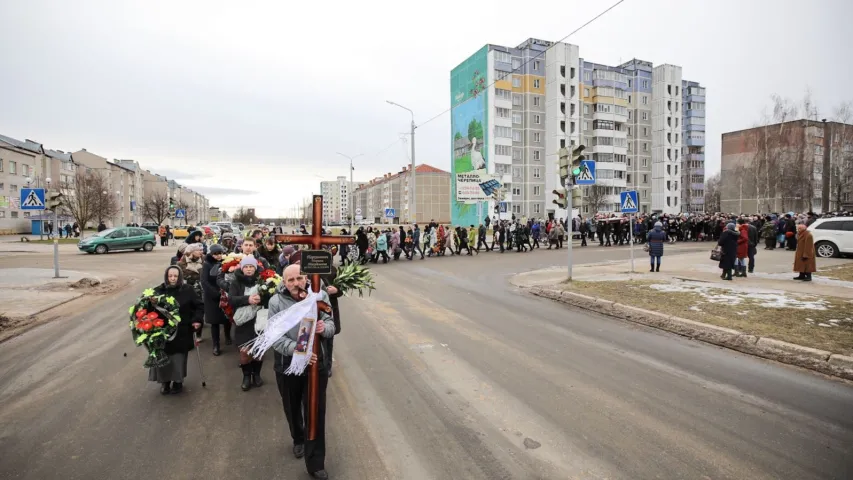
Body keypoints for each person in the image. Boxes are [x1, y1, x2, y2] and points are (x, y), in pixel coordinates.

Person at [269, 264, 335, 479]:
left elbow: (330, 322)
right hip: (287, 365)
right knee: (292, 405)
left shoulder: (319, 295)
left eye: (299, 278)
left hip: (317, 364)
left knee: (315, 411)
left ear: (306, 278)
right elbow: (275, 337)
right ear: (284, 282)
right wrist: (298, 351)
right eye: (291, 280)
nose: (296, 283)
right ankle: (298, 438)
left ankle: (315, 462)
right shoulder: (276, 302)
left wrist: (325, 329)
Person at [148, 266, 203, 395]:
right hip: (163, 330)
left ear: (180, 277)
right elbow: (148, 309)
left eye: (175, 276)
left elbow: (199, 306)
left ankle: (178, 381)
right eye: (170, 276)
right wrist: (150, 303)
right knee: (164, 357)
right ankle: (165, 382)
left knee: (178, 358)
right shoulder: (158, 291)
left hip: (182, 330)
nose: (172, 278)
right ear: (166, 276)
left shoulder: (188, 290)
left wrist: (197, 320)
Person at [227, 256, 263, 391]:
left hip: (259, 321)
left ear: (255, 268)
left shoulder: (262, 280)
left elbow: (270, 296)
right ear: (242, 268)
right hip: (243, 322)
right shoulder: (236, 282)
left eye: (251, 267)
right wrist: (248, 299)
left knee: (259, 351)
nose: (249, 269)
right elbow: (231, 299)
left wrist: (262, 298)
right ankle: (246, 376)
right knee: (244, 352)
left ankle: (257, 375)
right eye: (246, 267)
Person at [202, 244, 231, 356]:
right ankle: (216, 345)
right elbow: (204, 281)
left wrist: (226, 290)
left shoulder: (227, 261)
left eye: (220, 253)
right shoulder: (207, 264)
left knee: (227, 318)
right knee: (214, 322)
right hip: (212, 297)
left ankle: (227, 336)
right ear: (211, 254)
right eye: (216, 254)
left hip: (225, 294)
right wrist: (216, 293)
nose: (218, 256)